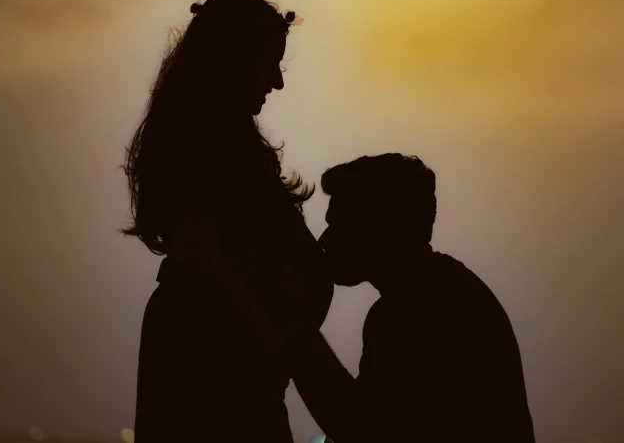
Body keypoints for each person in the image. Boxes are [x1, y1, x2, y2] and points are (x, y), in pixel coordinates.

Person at [121, 0, 333, 443]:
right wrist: (268, 343)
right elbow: (196, 248)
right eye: (268, 62)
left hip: (232, 364)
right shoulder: (201, 142)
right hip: (213, 370)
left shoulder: (225, 141)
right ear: (232, 59)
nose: (276, 81)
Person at [206, 153, 537, 442]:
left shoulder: (417, 308)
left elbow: (360, 429)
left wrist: (296, 325)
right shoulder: (443, 291)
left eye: (339, 223)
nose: (325, 239)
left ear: (387, 225)